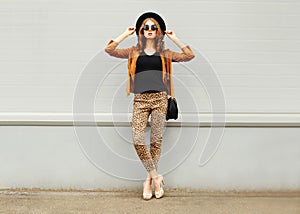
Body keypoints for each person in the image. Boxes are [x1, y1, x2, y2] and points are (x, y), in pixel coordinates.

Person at [105, 11, 195, 200]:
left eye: (154, 26)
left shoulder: (165, 53)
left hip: (160, 99)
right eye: (146, 27)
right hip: (140, 100)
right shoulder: (133, 51)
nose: (150, 29)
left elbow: (189, 55)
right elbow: (110, 50)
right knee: (138, 139)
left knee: (155, 141)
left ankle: (148, 181)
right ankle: (156, 176)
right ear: (141, 31)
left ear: (159, 31)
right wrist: (125, 33)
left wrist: (174, 38)